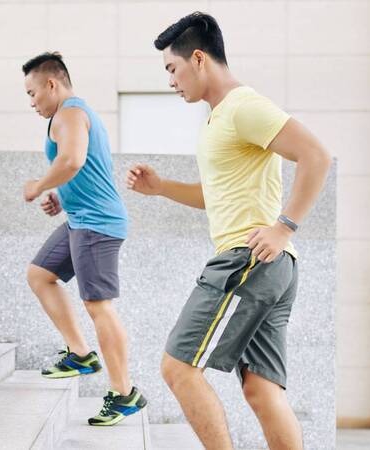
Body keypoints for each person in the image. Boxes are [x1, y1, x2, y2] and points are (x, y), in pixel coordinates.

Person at [126, 12, 331, 450]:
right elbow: (213, 196)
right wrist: (160, 188)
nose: (170, 81)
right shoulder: (218, 118)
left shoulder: (243, 106)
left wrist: (283, 226)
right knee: (261, 388)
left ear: (198, 58)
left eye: (172, 69)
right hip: (272, 267)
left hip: (247, 259)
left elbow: (316, 155)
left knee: (178, 367)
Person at [22, 52, 147, 426]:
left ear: (51, 84)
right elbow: (90, 167)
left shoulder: (71, 114)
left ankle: (124, 394)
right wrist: (60, 197)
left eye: (32, 94)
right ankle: (80, 354)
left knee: (99, 306)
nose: (31, 103)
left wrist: (38, 186)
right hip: (80, 218)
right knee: (40, 274)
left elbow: (72, 161)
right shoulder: (71, 115)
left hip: (97, 224)